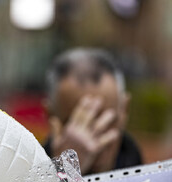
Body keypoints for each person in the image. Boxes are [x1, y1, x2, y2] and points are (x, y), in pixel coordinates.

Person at [44, 47, 142, 175]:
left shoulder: (146, 180)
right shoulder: (26, 175)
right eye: (76, 123)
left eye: (107, 123)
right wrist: (63, 174)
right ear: (50, 115)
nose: (91, 145)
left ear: (124, 109)